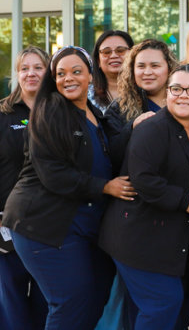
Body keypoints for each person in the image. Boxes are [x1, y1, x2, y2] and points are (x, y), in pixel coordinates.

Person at [2, 46, 135, 330]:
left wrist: (139, 126)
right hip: (42, 223)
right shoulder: (50, 111)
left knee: (95, 298)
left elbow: (110, 152)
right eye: (61, 74)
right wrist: (105, 187)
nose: (68, 78)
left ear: (90, 76)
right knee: (69, 302)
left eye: (76, 71)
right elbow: (53, 174)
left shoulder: (92, 115)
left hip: (79, 223)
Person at [99, 64, 189, 330]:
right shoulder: (151, 129)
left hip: (171, 240)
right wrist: (187, 201)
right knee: (163, 302)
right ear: (167, 92)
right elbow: (144, 180)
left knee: (172, 307)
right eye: (177, 89)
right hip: (137, 237)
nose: (184, 95)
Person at [0, 47, 49, 330]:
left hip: (52, 226)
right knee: (11, 306)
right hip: (7, 226)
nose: (31, 73)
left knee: (48, 303)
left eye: (38, 67)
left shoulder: (61, 112)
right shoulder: (3, 114)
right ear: (17, 74)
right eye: (24, 68)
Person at [89, 30, 134, 114]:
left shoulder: (144, 92)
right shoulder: (87, 96)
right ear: (98, 61)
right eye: (107, 52)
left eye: (120, 50)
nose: (114, 56)